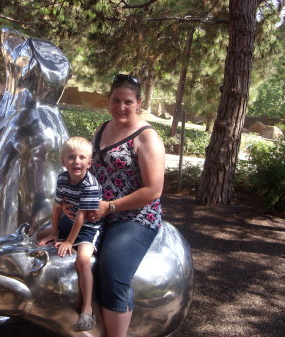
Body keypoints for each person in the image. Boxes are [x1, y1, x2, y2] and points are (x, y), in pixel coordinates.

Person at [72, 74, 165, 337]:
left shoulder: (147, 138)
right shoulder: (102, 128)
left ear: (138, 103)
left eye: (127, 102)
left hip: (134, 217)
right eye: (116, 100)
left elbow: (153, 190)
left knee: (112, 272)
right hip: (98, 212)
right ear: (108, 100)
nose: (121, 107)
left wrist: (110, 207)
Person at [38, 136, 102, 332]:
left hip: (88, 227)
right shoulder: (62, 178)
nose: (77, 161)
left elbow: (82, 217)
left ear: (89, 163)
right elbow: (57, 207)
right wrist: (54, 233)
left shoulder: (89, 184)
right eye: (71, 157)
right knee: (38, 234)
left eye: (82, 157)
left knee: (82, 260)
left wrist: (68, 241)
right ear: (63, 161)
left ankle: (87, 309)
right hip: (69, 220)